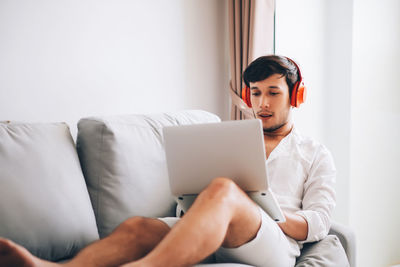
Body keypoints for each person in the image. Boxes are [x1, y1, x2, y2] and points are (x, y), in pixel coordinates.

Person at [0, 55, 336, 267]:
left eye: (273, 92)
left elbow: (320, 221)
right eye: (255, 92)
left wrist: (269, 213)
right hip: (214, 233)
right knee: (137, 227)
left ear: (295, 95)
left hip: (273, 246)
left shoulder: (315, 153)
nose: (262, 103)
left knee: (223, 189)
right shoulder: (228, 137)